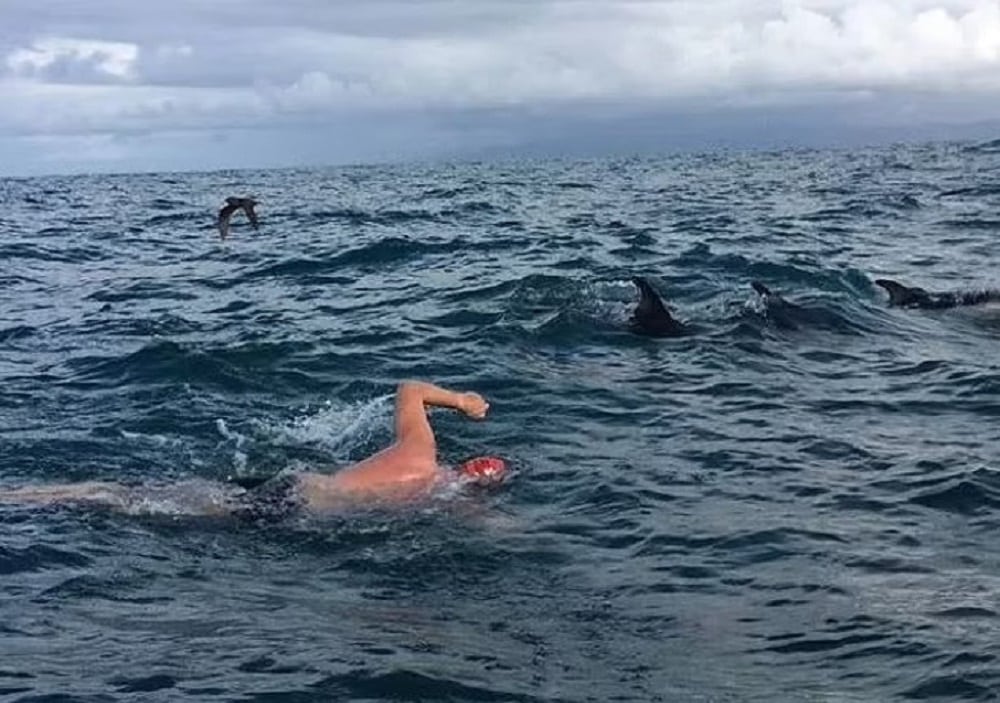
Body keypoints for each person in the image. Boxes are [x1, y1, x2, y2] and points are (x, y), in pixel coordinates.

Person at [0, 381, 507, 519]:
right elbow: (410, 388)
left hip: (291, 489)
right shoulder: (429, 476)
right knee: (132, 502)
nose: (483, 468)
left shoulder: (431, 473)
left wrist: (460, 402)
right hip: (289, 504)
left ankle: (26, 495)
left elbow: (410, 389)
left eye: (488, 472)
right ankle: (23, 498)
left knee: (139, 495)